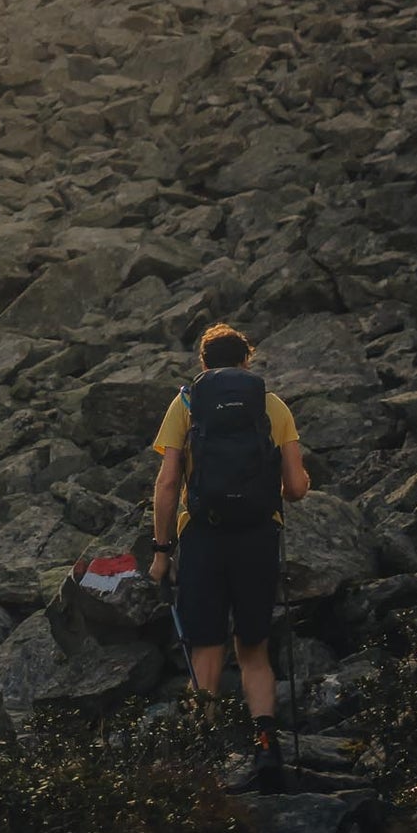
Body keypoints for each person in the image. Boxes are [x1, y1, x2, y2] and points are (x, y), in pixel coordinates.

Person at [148, 321, 310, 789]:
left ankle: (204, 748)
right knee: (254, 649)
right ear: (246, 361)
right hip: (258, 537)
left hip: (202, 536)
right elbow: (296, 488)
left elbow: (167, 483)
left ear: (204, 363)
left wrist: (161, 551)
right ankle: (265, 746)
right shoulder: (271, 406)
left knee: (207, 645)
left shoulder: (186, 403)